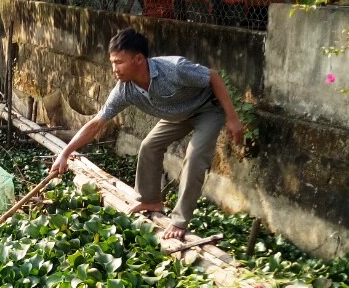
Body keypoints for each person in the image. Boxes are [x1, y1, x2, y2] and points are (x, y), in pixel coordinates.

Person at [50, 28, 245, 241]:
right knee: (149, 146)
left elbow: (213, 77)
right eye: (112, 62)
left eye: (119, 62)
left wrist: (232, 118)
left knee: (195, 156)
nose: (114, 69)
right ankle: (151, 199)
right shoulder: (124, 90)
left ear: (139, 59)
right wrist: (65, 153)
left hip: (207, 109)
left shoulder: (175, 69)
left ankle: (180, 221)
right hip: (176, 115)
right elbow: (97, 123)